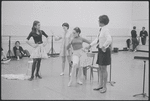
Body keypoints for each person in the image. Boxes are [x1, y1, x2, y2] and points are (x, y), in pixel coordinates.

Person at [86, 15, 112, 93]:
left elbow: (109, 39)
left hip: (104, 51)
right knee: (100, 68)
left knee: (104, 69)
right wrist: (90, 45)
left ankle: (104, 87)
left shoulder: (106, 30)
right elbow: (97, 39)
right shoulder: (101, 29)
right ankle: (100, 85)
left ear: (102, 22)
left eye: (99, 21)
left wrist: (104, 46)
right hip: (100, 51)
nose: (98, 22)